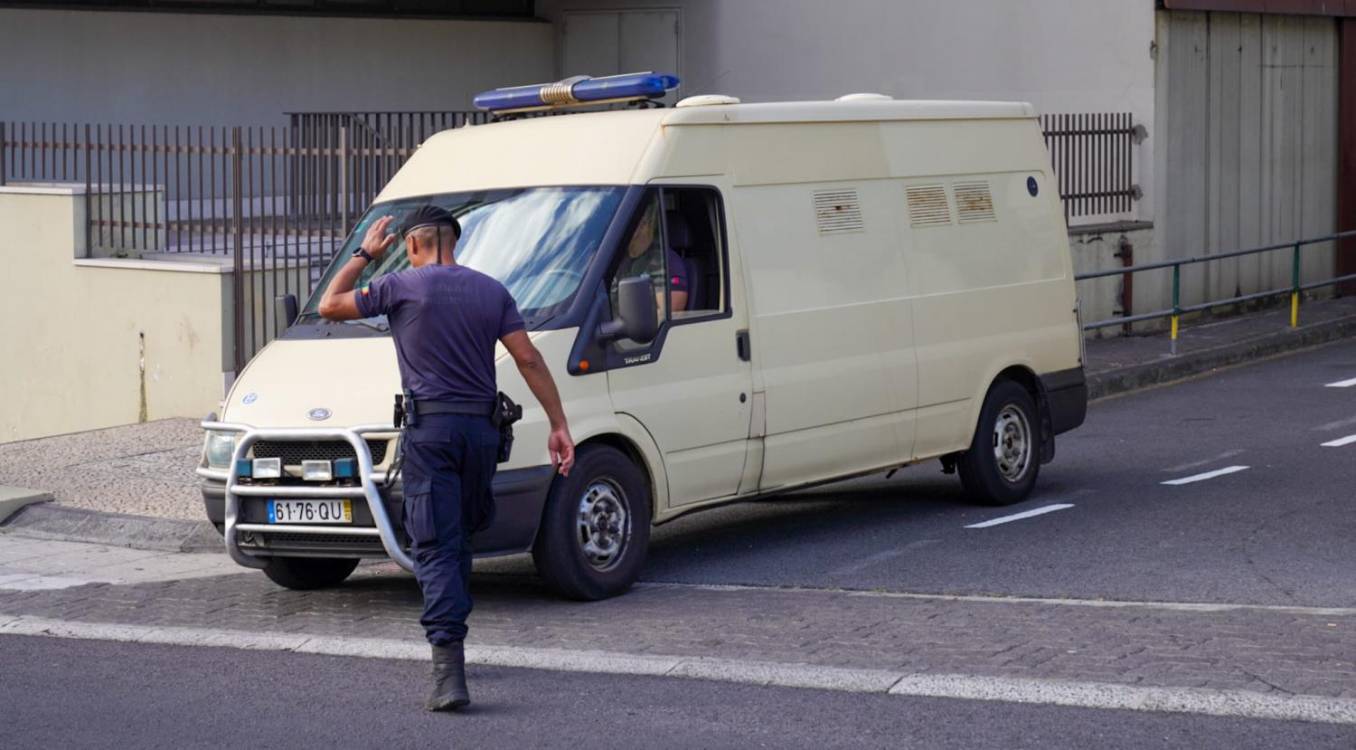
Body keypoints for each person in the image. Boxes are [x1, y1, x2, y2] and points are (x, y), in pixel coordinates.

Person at [318, 204, 575, 712]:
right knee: (458, 533)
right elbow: (528, 358)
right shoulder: (490, 289)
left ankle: (447, 669)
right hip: (481, 432)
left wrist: (367, 253)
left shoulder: (400, 287)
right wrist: (558, 424)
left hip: (430, 431)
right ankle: (454, 640)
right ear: (455, 242)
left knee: (434, 541)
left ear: (412, 245)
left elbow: (330, 304)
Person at [614, 199, 688, 315]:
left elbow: (668, 315)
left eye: (625, 221)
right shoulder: (614, 259)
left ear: (644, 225)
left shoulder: (667, 262)